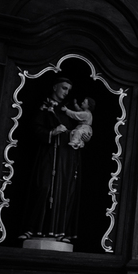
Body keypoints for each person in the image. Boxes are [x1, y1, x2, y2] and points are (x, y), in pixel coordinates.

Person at [22, 76, 81, 243]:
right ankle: (33, 229)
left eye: (68, 90)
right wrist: (52, 132)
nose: (66, 92)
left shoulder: (67, 110)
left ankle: (59, 231)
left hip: (66, 157)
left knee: (64, 191)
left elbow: (77, 126)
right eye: (63, 88)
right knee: (43, 187)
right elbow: (35, 127)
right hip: (48, 154)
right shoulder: (44, 107)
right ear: (55, 87)